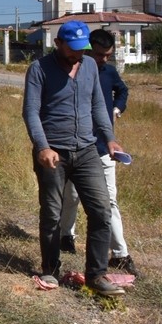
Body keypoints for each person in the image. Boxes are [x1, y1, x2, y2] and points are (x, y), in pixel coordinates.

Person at [22, 20, 127, 297]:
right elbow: (31, 112)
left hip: (87, 151)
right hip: (53, 153)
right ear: (58, 43)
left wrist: (110, 139)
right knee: (53, 212)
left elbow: (97, 106)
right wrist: (42, 147)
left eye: (83, 49)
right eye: (74, 49)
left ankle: (96, 275)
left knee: (101, 210)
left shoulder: (90, 66)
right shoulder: (39, 69)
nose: (79, 55)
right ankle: (50, 269)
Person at [58, 28, 138, 276]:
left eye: (108, 55)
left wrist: (117, 109)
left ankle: (120, 254)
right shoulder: (73, 71)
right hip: (75, 147)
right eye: (100, 54)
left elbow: (122, 91)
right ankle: (65, 236)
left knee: (109, 201)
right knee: (70, 197)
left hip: (103, 148)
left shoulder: (109, 72)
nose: (104, 59)